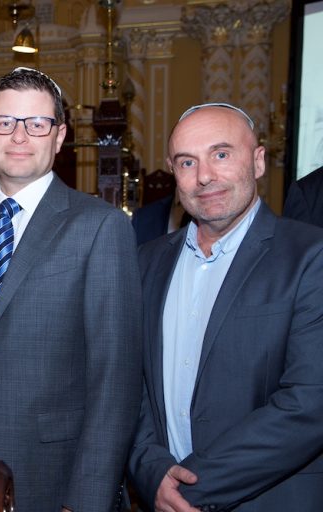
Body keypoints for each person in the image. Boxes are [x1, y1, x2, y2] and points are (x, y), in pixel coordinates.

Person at [0, 67, 143, 512]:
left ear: (59, 135)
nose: (20, 136)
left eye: (37, 124)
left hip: (53, 478)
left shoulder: (99, 227)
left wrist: (87, 499)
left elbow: (115, 381)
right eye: (6, 122)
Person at [127, 103, 323, 511]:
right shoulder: (144, 262)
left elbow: (309, 403)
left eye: (221, 154)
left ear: (257, 161)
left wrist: (187, 490)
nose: (204, 176)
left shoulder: (309, 257)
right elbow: (130, 388)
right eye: (187, 161)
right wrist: (151, 471)